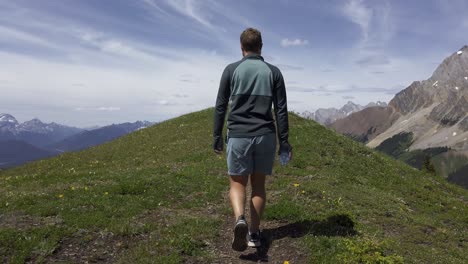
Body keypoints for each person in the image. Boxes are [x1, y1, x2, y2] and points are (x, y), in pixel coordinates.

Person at [213, 27, 292, 252]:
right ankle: (255, 234)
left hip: (238, 135)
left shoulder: (231, 70)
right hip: (266, 136)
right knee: (258, 186)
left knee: (237, 183)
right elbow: (281, 110)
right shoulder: (273, 72)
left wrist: (217, 135)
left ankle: (240, 219)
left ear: (241, 48)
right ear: (261, 47)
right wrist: (284, 141)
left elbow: (220, 106)